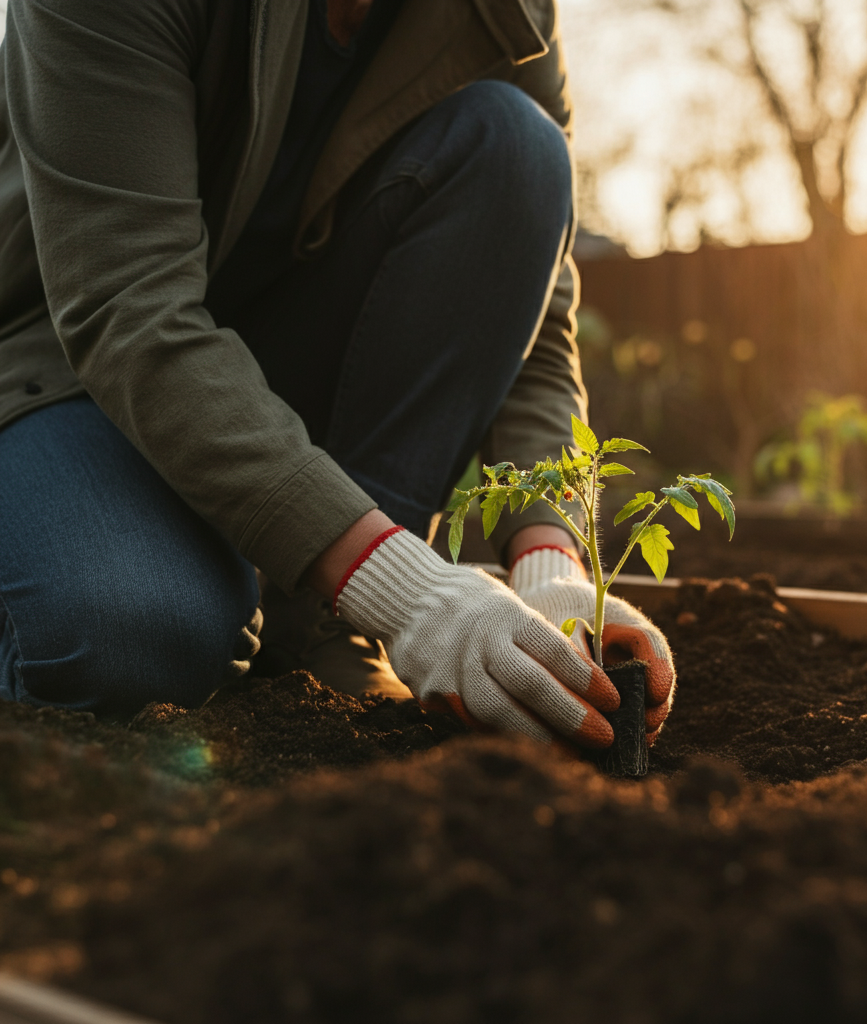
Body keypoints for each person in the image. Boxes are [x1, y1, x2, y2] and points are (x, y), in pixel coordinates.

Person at [0, 0, 675, 751]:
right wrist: (410, 592)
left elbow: (530, 309)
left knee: (517, 145)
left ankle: (321, 622)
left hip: (261, 359)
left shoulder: (503, 13)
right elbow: (128, 307)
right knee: (133, 639)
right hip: (54, 364)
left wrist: (550, 561)